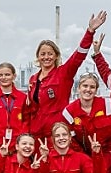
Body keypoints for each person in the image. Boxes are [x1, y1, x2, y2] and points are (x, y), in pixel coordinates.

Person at [23, 10, 104, 140]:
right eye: (42, 54)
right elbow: (31, 109)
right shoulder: (33, 79)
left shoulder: (63, 73)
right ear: (38, 57)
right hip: (36, 133)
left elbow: (79, 55)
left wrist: (90, 32)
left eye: (50, 54)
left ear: (56, 56)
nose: (46, 57)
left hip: (56, 132)